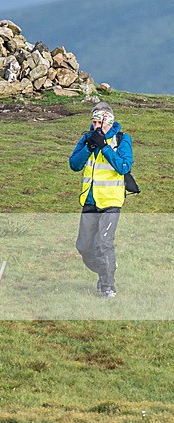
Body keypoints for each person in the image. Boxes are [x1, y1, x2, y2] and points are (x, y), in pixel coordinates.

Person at [69, 102, 133, 298]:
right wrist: (90, 146)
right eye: (94, 122)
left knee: (103, 244)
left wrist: (104, 146)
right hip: (90, 201)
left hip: (111, 202)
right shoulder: (87, 138)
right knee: (84, 247)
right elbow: (74, 164)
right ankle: (108, 267)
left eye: (101, 123)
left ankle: (107, 286)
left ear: (109, 123)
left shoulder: (122, 139)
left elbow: (124, 166)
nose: (97, 127)